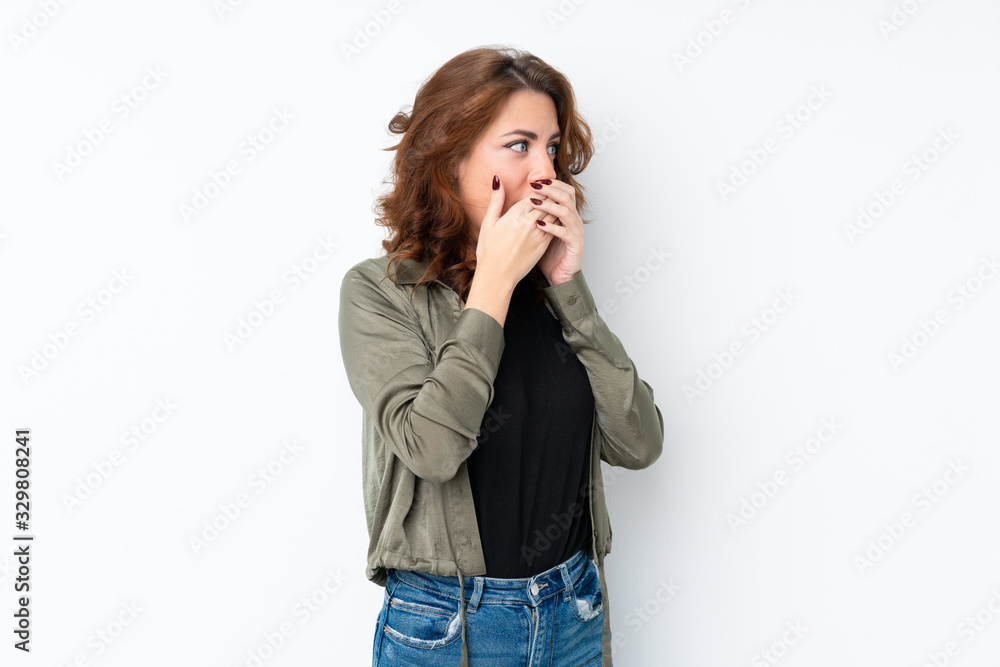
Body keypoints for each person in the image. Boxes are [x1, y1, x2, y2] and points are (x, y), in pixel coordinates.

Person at [338, 44, 665, 667]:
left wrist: (569, 285)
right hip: (447, 623)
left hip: (573, 609)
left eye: (551, 146)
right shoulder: (380, 292)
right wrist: (491, 285)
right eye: (518, 145)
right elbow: (432, 450)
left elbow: (638, 444)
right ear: (450, 157)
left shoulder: (552, 294)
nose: (545, 170)